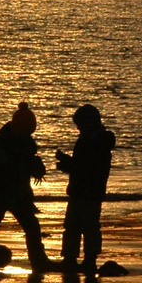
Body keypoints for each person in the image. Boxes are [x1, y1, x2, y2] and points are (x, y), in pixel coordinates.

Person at [0, 102, 53, 271]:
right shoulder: (2, 146)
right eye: (26, 130)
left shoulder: (25, 143)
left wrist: (37, 169)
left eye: (30, 131)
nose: (28, 134)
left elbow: (29, 167)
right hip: (1, 194)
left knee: (31, 227)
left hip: (18, 193)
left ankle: (38, 261)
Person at [55, 104, 115, 273]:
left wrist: (67, 163)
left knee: (87, 226)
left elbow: (85, 167)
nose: (78, 128)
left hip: (89, 191)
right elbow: (82, 166)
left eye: (80, 124)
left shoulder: (97, 141)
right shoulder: (91, 140)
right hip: (83, 190)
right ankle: (72, 258)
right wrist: (68, 164)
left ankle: (86, 259)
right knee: (76, 226)